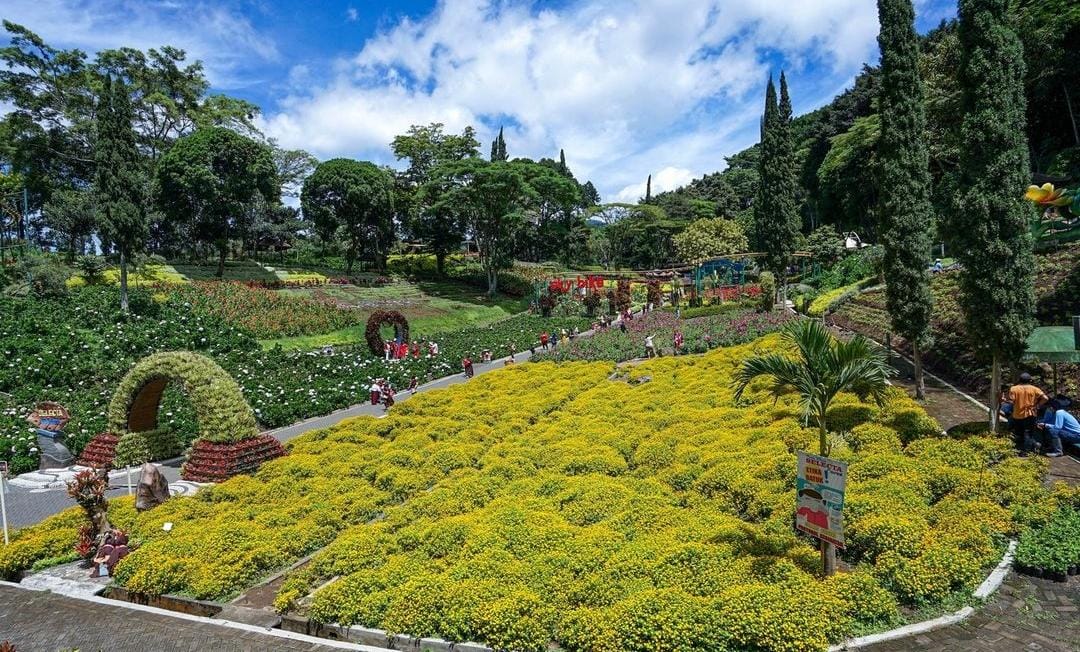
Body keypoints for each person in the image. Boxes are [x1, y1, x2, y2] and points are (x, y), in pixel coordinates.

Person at [1007, 373, 1048, 455]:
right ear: (1030, 381)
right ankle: (1027, 451)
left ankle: (1019, 449)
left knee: (1019, 433)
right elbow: (1045, 398)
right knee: (1028, 433)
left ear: (1019, 380)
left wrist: (1003, 400)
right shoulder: (1034, 389)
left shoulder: (1014, 389)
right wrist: (1037, 405)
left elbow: (1011, 401)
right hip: (1030, 414)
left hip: (1017, 415)